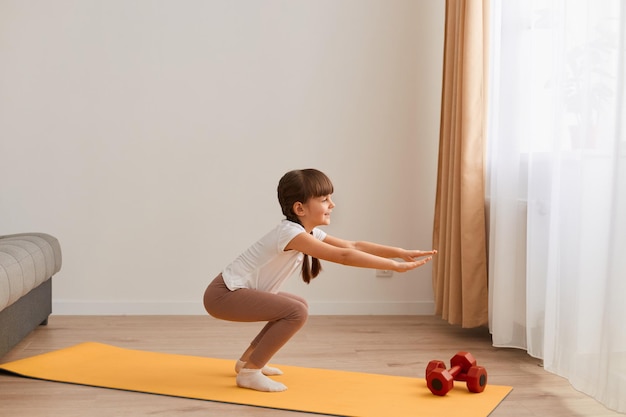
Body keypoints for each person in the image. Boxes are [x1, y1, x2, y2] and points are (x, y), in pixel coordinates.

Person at [203, 168, 436, 392]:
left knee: (299, 305)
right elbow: (344, 256)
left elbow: (353, 246)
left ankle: (247, 363)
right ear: (300, 208)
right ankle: (250, 374)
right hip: (224, 294)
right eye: (324, 199)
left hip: (230, 292)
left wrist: (399, 251)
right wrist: (395, 266)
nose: (332, 204)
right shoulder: (291, 234)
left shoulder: (305, 232)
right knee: (295, 312)